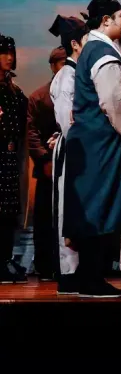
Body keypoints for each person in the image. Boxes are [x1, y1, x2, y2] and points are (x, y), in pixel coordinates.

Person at [63, 0, 121, 298]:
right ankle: (92, 278)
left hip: (90, 140)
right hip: (100, 141)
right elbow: (113, 100)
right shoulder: (102, 53)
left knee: (91, 206)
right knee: (99, 205)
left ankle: (86, 275)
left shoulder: (91, 49)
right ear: (106, 20)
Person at [48, 14, 89, 295]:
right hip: (72, 148)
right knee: (67, 211)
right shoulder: (66, 76)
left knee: (78, 209)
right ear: (75, 44)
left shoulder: (78, 74)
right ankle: (68, 272)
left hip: (80, 148)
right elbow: (67, 120)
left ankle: (79, 270)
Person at [24, 46, 66, 281]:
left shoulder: (79, 93)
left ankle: (67, 265)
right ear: (52, 66)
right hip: (47, 166)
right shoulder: (39, 96)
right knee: (44, 217)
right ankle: (44, 264)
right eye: (61, 63)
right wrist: (43, 159)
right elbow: (31, 133)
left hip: (73, 165)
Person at [0, 30, 29, 284]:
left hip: (9, 159)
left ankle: (5, 259)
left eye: (11, 53)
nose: (9, 57)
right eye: (4, 53)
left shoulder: (15, 93)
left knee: (8, 212)